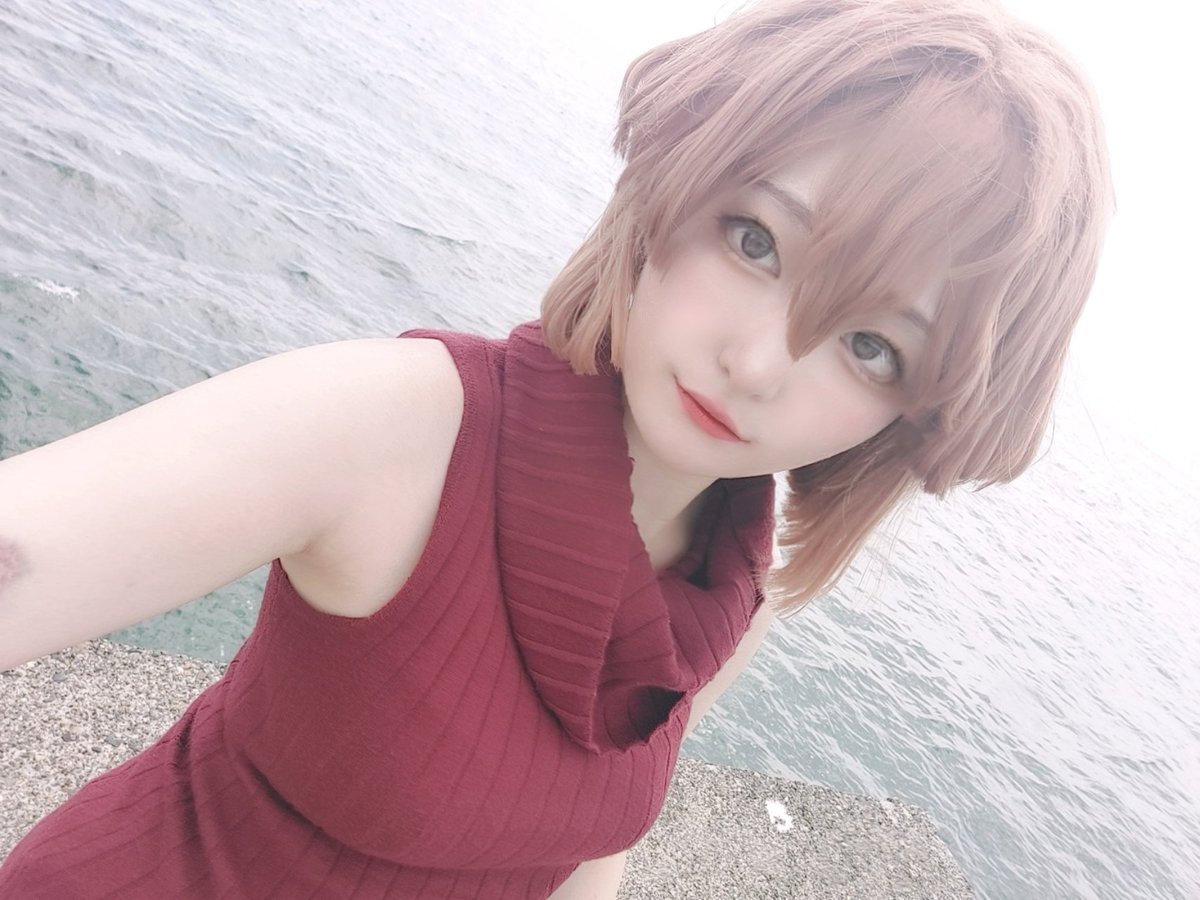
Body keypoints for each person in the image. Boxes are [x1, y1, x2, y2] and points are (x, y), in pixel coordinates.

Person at [0, 0, 1110, 896]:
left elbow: (581, 843)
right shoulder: (404, 426)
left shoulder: (735, 595)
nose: (759, 363)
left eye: (870, 346)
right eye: (756, 240)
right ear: (675, 182)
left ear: (909, 416)